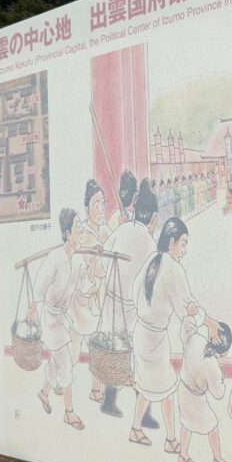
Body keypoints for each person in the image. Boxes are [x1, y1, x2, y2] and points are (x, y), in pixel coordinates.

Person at [130, 217, 222, 451]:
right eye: (183, 244)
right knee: (167, 387)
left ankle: (136, 429)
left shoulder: (152, 259)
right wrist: (207, 320)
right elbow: (187, 310)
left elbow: (134, 291)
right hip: (154, 338)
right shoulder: (173, 268)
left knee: (147, 386)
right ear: (172, 242)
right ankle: (171, 440)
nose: (184, 250)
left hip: (141, 332)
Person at [97, 179, 158, 421]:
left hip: (114, 304)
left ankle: (110, 401)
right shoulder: (150, 244)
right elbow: (149, 286)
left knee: (117, 353)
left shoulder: (121, 231)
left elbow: (103, 259)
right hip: (131, 310)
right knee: (138, 359)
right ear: (153, 217)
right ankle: (144, 413)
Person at [28, 208, 86, 431]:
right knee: (65, 364)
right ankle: (69, 413)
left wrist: (95, 277)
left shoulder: (77, 261)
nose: (81, 231)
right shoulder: (55, 258)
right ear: (68, 232)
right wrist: (33, 305)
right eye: (78, 228)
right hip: (50, 319)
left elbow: (84, 285)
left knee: (59, 360)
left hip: (62, 317)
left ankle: (43, 393)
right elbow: (41, 283)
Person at [69, 180, 111, 405]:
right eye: (95, 204)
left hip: (98, 296)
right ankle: (59, 380)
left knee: (95, 341)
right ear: (87, 208)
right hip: (84, 298)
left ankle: (96, 388)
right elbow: (93, 275)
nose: (100, 208)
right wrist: (97, 255)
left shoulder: (103, 230)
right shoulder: (85, 234)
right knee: (75, 345)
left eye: (102, 203)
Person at [178, 314, 232, 462]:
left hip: (183, 389)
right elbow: (218, 393)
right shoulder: (212, 365)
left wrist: (195, 317)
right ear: (223, 351)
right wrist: (221, 378)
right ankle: (217, 459)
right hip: (196, 398)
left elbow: (187, 327)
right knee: (212, 425)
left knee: (186, 423)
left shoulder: (196, 340)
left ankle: (183, 454)